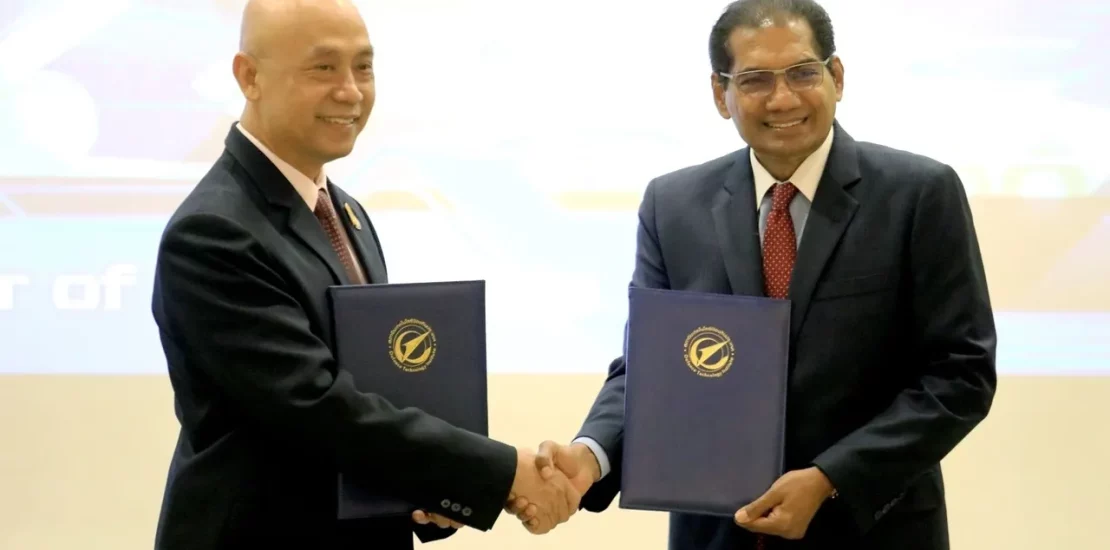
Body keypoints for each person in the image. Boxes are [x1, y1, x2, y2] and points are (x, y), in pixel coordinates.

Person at [509, 0, 998, 548]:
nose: (782, 98)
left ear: (836, 77)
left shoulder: (919, 194)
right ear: (721, 94)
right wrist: (591, 455)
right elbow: (650, 368)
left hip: (872, 530)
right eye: (755, 80)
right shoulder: (672, 205)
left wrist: (830, 479)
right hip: (716, 533)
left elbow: (960, 375)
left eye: (803, 73)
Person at [150, 1, 579, 548]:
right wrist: (497, 472)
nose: (350, 91)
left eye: (364, 67)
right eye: (323, 67)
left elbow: (375, 388)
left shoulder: (344, 211)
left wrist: (431, 491)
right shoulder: (214, 231)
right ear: (249, 77)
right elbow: (315, 408)